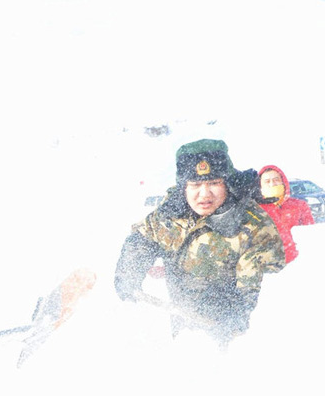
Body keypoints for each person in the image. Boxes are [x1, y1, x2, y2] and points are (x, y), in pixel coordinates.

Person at [114, 139, 285, 343]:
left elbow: (265, 284)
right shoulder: (171, 216)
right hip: (182, 329)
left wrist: (236, 315)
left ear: (228, 185)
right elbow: (142, 239)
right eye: (195, 185)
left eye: (214, 183)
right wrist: (128, 276)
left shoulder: (253, 225)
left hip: (236, 337)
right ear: (183, 188)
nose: (204, 194)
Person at [256, 164, 315, 263]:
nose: (272, 184)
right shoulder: (256, 209)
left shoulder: (299, 206)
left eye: (276, 180)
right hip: (268, 264)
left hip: (297, 261)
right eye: (267, 181)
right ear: (260, 185)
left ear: (283, 182)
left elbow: (310, 236)